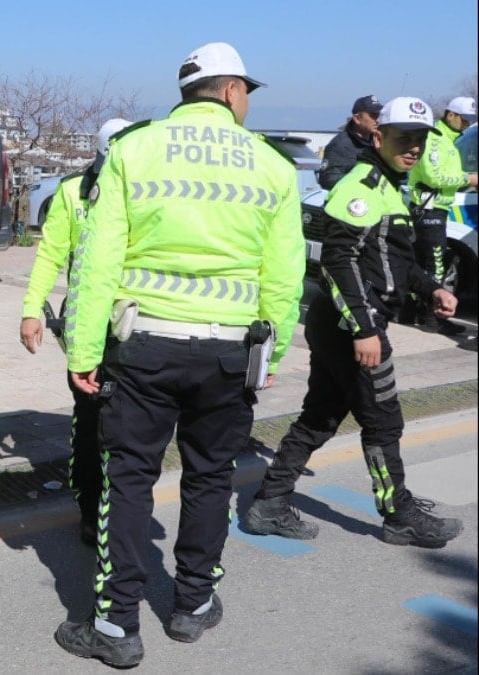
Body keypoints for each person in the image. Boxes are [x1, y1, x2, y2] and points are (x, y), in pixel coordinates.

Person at [53, 42, 305, 668]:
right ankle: (192, 606)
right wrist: (268, 356)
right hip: (228, 351)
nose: (247, 101)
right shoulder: (272, 165)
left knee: (129, 478)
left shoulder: (133, 150)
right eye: (247, 90)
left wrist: (84, 348)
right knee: (211, 476)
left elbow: (97, 263)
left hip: (143, 348)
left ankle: (116, 628)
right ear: (228, 91)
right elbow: (284, 278)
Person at [244, 97, 464, 549]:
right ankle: (397, 513)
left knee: (321, 417)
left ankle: (269, 503)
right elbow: (338, 262)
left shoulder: (390, 184)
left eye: (420, 139)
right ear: (378, 137)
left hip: (350, 321)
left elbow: (396, 263)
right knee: (383, 422)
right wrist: (365, 329)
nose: (414, 148)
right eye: (404, 138)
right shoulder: (360, 187)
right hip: (351, 324)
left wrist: (432, 289)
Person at [19, 117, 132, 545]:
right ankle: (90, 506)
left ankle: (122, 503)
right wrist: (32, 310)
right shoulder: (73, 192)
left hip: (137, 322)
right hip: (86, 322)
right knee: (90, 419)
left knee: (130, 421)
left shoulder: (147, 188)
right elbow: (50, 254)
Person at [404, 95, 477, 334]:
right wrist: (469, 179)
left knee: (420, 261)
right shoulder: (435, 139)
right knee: (435, 264)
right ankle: (432, 318)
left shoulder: (450, 139)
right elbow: (433, 177)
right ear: (451, 115)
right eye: (465, 120)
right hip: (429, 208)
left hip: (437, 208)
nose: (467, 125)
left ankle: (408, 311)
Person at [318, 95, 383, 190]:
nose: (377, 120)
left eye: (379, 115)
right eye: (373, 115)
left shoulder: (377, 142)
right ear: (357, 118)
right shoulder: (340, 145)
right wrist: (361, 181)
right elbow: (327, 180)